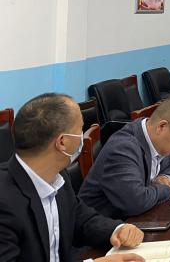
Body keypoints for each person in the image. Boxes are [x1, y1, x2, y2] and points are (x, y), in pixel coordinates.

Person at [0, 93, 145, 262]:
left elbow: (79, 218)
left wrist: (117, 230)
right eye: (81, 129)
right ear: (62, 142)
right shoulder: (4, 200)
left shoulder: (57, 175)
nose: (83, 136)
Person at [79, 93, 170, 219]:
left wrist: (165, 177)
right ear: (161, 127)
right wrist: (165, 187)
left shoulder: (158, 139)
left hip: (136, 220)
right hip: (105, 226)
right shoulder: (123, 148)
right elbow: (137, 202)